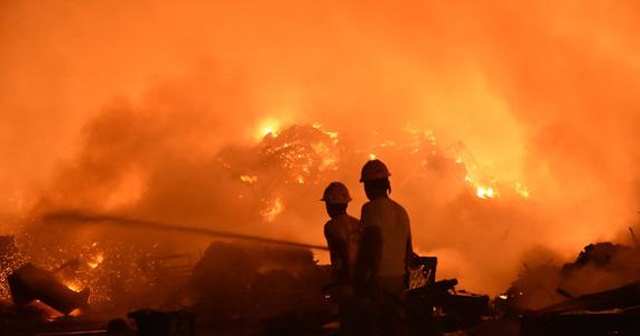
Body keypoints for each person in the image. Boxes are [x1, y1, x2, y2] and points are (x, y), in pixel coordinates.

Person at [358, 159, 413, 336]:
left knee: (374, 329)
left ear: (368, 186)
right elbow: (408, 251)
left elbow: (373, 243)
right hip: (397, 280)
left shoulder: (369, 209)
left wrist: (369, 277)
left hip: (378, 281)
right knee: (396, 329)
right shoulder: (401, 211)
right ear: (386, 183)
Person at [321, 181, 363, 336]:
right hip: (361, 282)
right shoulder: (358, 224)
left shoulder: (330, 226)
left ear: (329, 205)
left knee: (346, 324)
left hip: (342, 283)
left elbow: (344, 254)